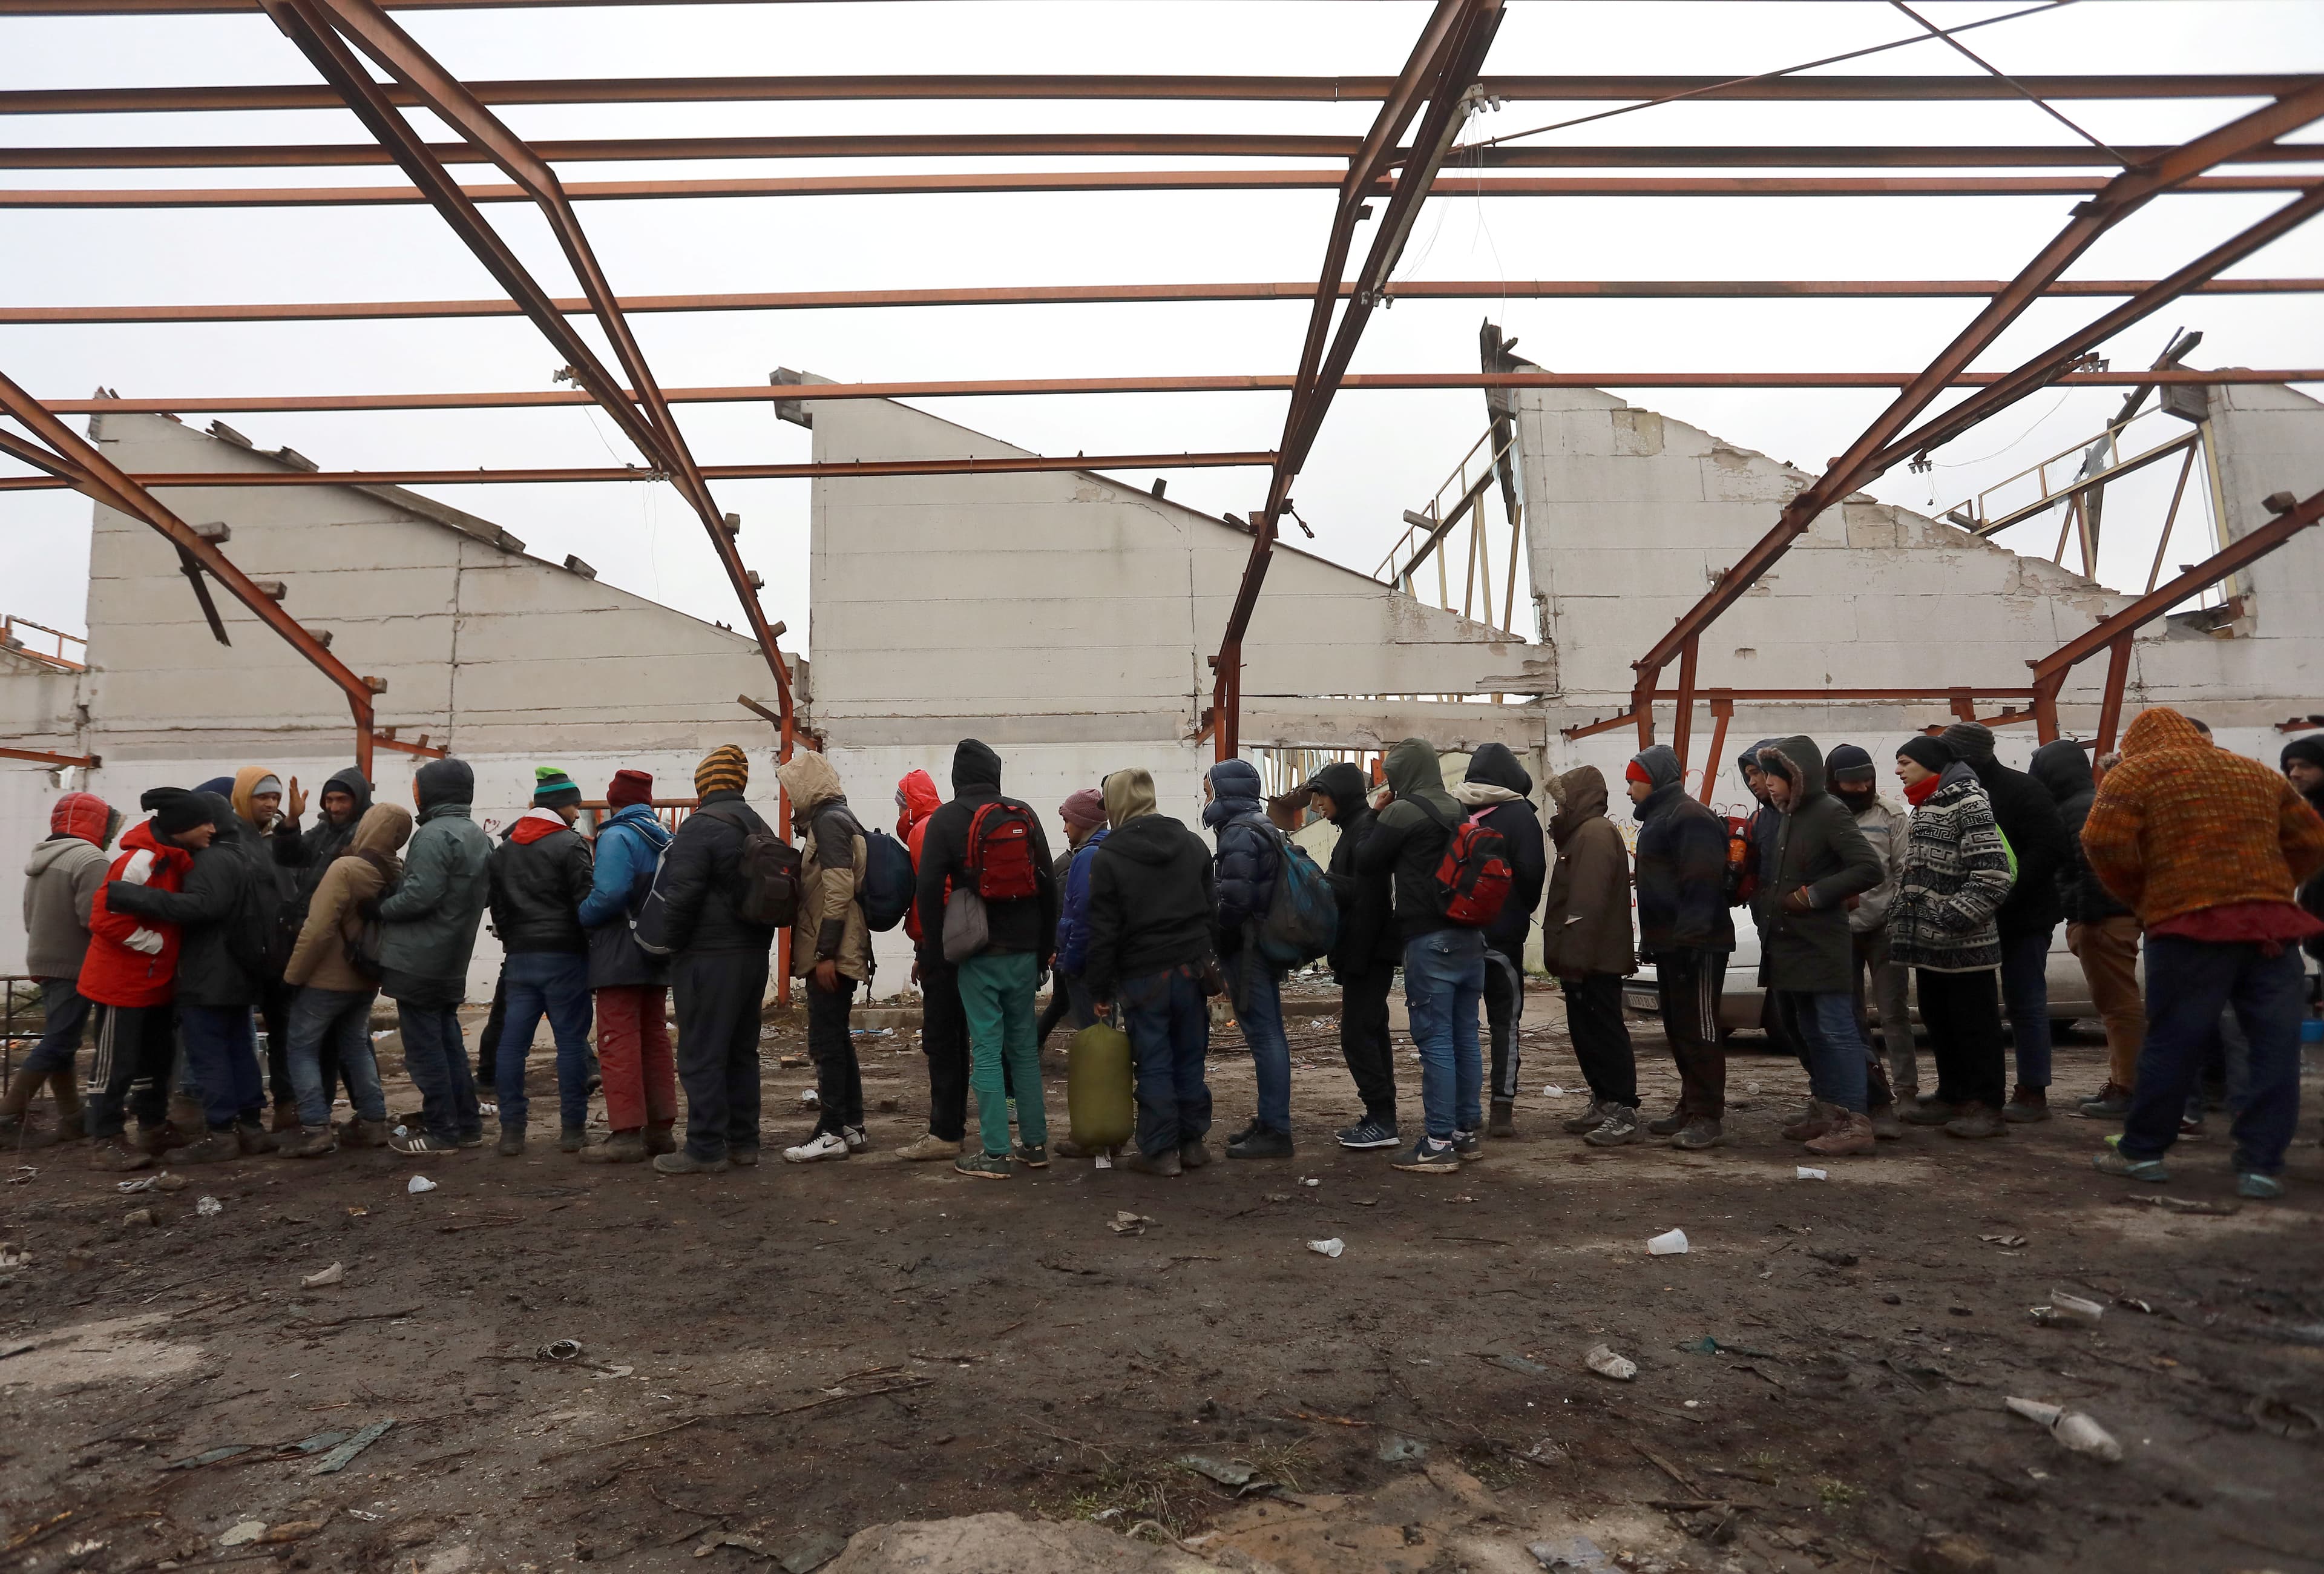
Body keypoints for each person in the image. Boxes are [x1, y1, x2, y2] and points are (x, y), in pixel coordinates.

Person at [2084, 708, 2324, 1199]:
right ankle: (2260, 1164)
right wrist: (2272, 884)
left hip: (2187, 926)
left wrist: (2143, 894)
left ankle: (2143, 1152)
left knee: (2175, 1040)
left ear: (2138, 743)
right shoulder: (2253, 770)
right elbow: (2310, 839)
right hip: (2271, 925)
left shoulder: (2133, 773)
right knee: (2272, 1046)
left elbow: (2102, 842)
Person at [911, 739, 1059, 1180]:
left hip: (978, 954)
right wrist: (1043, 949)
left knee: (987, 1052)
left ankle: (994, 1153)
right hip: (1024, 953)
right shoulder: (1024, 814)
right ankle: (1034, 1145)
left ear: (957, 778)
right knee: (1023, 1052)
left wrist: (938, 953)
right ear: (995, 774)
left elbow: (928, 890)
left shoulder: (946, 819)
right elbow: (1049, 884)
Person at [105, 788, 275, 1164]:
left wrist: (130, 897)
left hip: (208, 976)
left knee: (210, 1055)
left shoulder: (212, 860)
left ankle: (221, 1134)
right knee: (239, 1052)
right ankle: (251, 1129)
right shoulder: (248, 854)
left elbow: (202, 907)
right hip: (240, 974)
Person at [1753, 738, 1888, 1157]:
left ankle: (1855, 1121)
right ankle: (1828, 1110)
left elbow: (1868, 868)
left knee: (1836, 1031)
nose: (1768, 785)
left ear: (1799, 776)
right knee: (1810, 1030)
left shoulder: (1828, 811)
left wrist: (1813, 895)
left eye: (1776, 776)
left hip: (1821, 944)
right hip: (1791, 945)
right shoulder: (1787, 816)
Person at [1083, 766, 1216, 1177]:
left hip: (1143, 978)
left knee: (1155, 1061)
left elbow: (1103, 931)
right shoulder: (1193, 845)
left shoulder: (1109, 858)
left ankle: (1160, 1152)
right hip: (1191, 972)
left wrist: (1100, 989)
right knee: (1190, 1058)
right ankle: (1192, 1144)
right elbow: (1212, 911)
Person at [652, 745, 778, 1175]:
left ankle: (705, 1148)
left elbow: (681, 896)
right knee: (741, 1051)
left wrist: (672, 946)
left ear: (704, 784)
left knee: (702, 1052)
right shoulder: (756, 823)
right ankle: (744, 1143)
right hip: (752, 955)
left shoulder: (699, 827)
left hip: (708, 957)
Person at [1357, 739, 1481, 1173]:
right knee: (1465, 1036)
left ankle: (1438, 1142)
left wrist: (1376, 812)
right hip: (1469, 936)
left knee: (1436, 1041)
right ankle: (1465, 1133)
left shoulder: (1401, 811)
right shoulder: (1457, 808)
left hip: (1428, 939)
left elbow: (1366, 861)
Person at [1942, 722, 2072, 1122]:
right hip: (1974, 917)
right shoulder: (1955, 795)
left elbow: (2050, 848)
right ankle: (1965, 1089)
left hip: (2023, 916)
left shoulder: (2023, 790)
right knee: (1971, 1006)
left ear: (1964, 756)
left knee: (2025, 1003)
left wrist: (2000, 894)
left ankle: (2033, 1091)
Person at [1889, 736, 2017, 1139]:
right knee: (1940, 1021)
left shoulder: (1968, 803)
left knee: (1973, 1025)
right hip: (1932, 949)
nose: (1898, 770)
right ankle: (1953, 1095)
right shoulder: (1929, 803)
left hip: (1964, 947)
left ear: (1930, 763)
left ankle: (1985, 1106)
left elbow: (1993, 875)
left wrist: (1950, 918)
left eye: (1905, 762)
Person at [376, 758, 493, 1157]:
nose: (414, 793)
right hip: (451, 960)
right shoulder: (477, 836)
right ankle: (467, 1127)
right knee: (449, 1048)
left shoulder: (432, 836)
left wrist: (380, 907)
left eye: (418, 787)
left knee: (427, 1053)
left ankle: (442, 1130)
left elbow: (420, 896)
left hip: (418, 961)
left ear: (432, 792)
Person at [278, 802, 410, 1157]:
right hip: (364, 977)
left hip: (326, 979)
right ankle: (373, 1121)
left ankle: (315, 1128)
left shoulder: (347, 868)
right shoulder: (396, 871)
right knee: (355, 1045)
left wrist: (294, 975)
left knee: (301, 1048)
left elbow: (318, 929)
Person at [80, 788, 201, 1171]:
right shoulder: (140, 862)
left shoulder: (177, 862)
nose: (213, 828)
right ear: (182, 827)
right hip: (123, 983)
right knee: (116, 1062)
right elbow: (105, 919)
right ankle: (106, 1137)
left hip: (155, 982)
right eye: (205, 822)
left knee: (156, 1059)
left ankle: (152, 1126)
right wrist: (158, 946)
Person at [1623, 746, 1735, 1148]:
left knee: (1700, 1027)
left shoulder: (1687, 816)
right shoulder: (1662, 817)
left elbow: (1701, 880)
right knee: (1679, 1026)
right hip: (1672, 943)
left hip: (1697, 945)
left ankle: (1708, 1114)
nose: (1630, 788)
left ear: (1654, 779)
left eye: (1634, 779)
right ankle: (1691, 1105)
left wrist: (1690, 936)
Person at [2029, 740, 2145, 1119]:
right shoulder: (2088, 801)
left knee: (2119, 1009)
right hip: (2105, 918)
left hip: (2101, 921)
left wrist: (2087, 919)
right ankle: (2121, 1084)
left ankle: (2129, 1089)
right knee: (2116, 1007)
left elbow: (2093, 869)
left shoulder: (2080, 808)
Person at [487, 767, 597, 1157]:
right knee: (569, 1044)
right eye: (575, 805)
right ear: (564, 805)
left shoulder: (504, 850)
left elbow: (497, 906)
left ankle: (512, 1133)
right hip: (565, 957)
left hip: (519, 959)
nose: (577, 812)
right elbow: (585, 904)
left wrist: (515, 940)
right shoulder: (569, 845)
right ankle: (572, 1131)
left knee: (512, 1045)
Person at [776, 750, 873, 1164]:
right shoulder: (840, 818)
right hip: (839, 943)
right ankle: (851, 1124)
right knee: (836, 1038)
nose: (790, 798)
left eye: (792, 790)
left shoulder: (829, 824)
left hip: (833, 947)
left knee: (826, 1041)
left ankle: (831, 1132)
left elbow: (837, 890)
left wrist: (826, 953)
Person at [576, 769, 676, 1165]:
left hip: (619, 949)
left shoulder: (617, 836)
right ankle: (661, 1128)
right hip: (654, 947)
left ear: (613, 800)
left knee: (617, 1039)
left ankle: (625, 1134)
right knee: (653, 1037)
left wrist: (580, 915)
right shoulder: (664, 835)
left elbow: (610, 894)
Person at [7, 790, 118, 1144]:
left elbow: (28, 915)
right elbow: (94, 918)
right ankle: (8, 1115)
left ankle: (71, 1117)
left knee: (62, 1038)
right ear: (98, 825)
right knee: (60, 1040)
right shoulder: (91, 859)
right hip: (77, 962)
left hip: (44, 958)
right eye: (110, 827)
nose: (112, 835)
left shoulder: (42, 859)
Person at [1454, 744, 1549, 1139]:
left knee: (1457, 1024)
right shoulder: (1521, 816)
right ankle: (1502, 1109)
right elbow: (1532, 877)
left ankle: (1461, 1108)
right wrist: (1514, 913)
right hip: (1503, 938)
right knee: (1504, 1024)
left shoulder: (1453, 809)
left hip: (1455, 934)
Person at [1537, 765, 1635, 1141]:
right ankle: (1606, 1101)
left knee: (1604, 1032)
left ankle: (1623, 1109)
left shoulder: (1593, 834)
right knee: (1588, 1033)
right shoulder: (1582, 835)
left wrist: (1575, 962)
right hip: (1586, 959)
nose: (1557, 811)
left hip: (1594, 961)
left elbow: (1585, 905)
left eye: (1562, 803)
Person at [1306, 762, 1400, 1150]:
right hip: (1367, 950)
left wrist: (1320, 882)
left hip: (1367, 951)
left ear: (1340, 795)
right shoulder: (1356, 829)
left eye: (1321, 796)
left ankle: (1381, 1120)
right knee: (1371, 1029)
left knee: (1356, 1035)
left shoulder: (1363, 829)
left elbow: (1368, 899)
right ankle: (1383, 1115)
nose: (1316, 805)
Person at [1203, 759, 1291, 1159]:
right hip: (1260, 943)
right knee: (1267, 1034)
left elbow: (1235, 900)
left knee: (1266, 1036)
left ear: (1225, 792)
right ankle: (1270, 1120)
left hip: (1248, 947)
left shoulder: (1238, 833)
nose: (1205, 796)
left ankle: (1275, 1130)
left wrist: (1217, 942)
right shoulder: (1258, 825)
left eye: (1209, 790)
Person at [1827, 743, 1913, 1129]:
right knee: (1848, 1017)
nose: (1860, 787)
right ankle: (1863, 1096)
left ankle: (1907, 1094)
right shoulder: (1823, 817)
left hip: (1884, 930)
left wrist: (1893, 917)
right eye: (1850, 781)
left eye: (1865, 779)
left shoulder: (1890, 815)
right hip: (1838, 930)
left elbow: (1905, 871)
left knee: (1894, 1013)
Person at [893, 768, 964, 1162]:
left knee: (941, 1041)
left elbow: (935, 896)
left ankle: (945, 1132)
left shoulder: (923, 831)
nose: (899, 810)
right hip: (958, 948)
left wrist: (928, 951)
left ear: (912, 802)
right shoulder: (948, 822)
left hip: (942, 950)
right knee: (958, 1038)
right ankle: (955, 1125)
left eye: (902, 801)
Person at [1040, 788, 1109, 1051]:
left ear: (1083, 821)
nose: (1065, 829)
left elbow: (1078, 914)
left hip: (1081, 959)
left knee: (1092, 1026)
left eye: (1068, 821)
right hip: (1094, 957)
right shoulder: (1102, 851)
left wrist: (1064, 955)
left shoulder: (1086, 857)